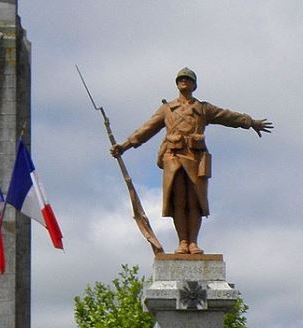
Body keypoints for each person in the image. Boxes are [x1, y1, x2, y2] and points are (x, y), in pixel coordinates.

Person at [111, 67, 272, 254]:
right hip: (174, 157)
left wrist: (250, 122)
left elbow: (227, 116)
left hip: (196, 158)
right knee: (178, 201)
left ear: (195, 85)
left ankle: (193, 242)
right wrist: (124, 145)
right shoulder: (167, 109)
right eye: (181, 79)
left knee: (195, 202)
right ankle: (183, 241)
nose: (184, 81)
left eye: (188, 79)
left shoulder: (203, 109)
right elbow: (146, 129)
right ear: (177, 84)